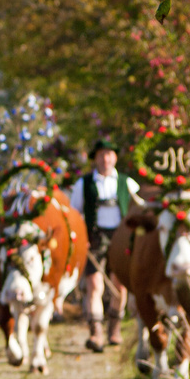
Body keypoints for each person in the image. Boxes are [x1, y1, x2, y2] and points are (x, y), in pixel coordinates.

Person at [68, 139, 142, 352]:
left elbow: (140, 208)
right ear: (95, 159)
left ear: (115, 158)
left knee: (120, 287)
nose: (105, 159)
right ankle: (96, 333)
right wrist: (82, 237)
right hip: (95, 239)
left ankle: (114, 330)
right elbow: (75, 214)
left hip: (121, 239)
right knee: (94, 286)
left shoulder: (127, 183)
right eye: (101, 155)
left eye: (109, 154)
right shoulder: (84, 184)